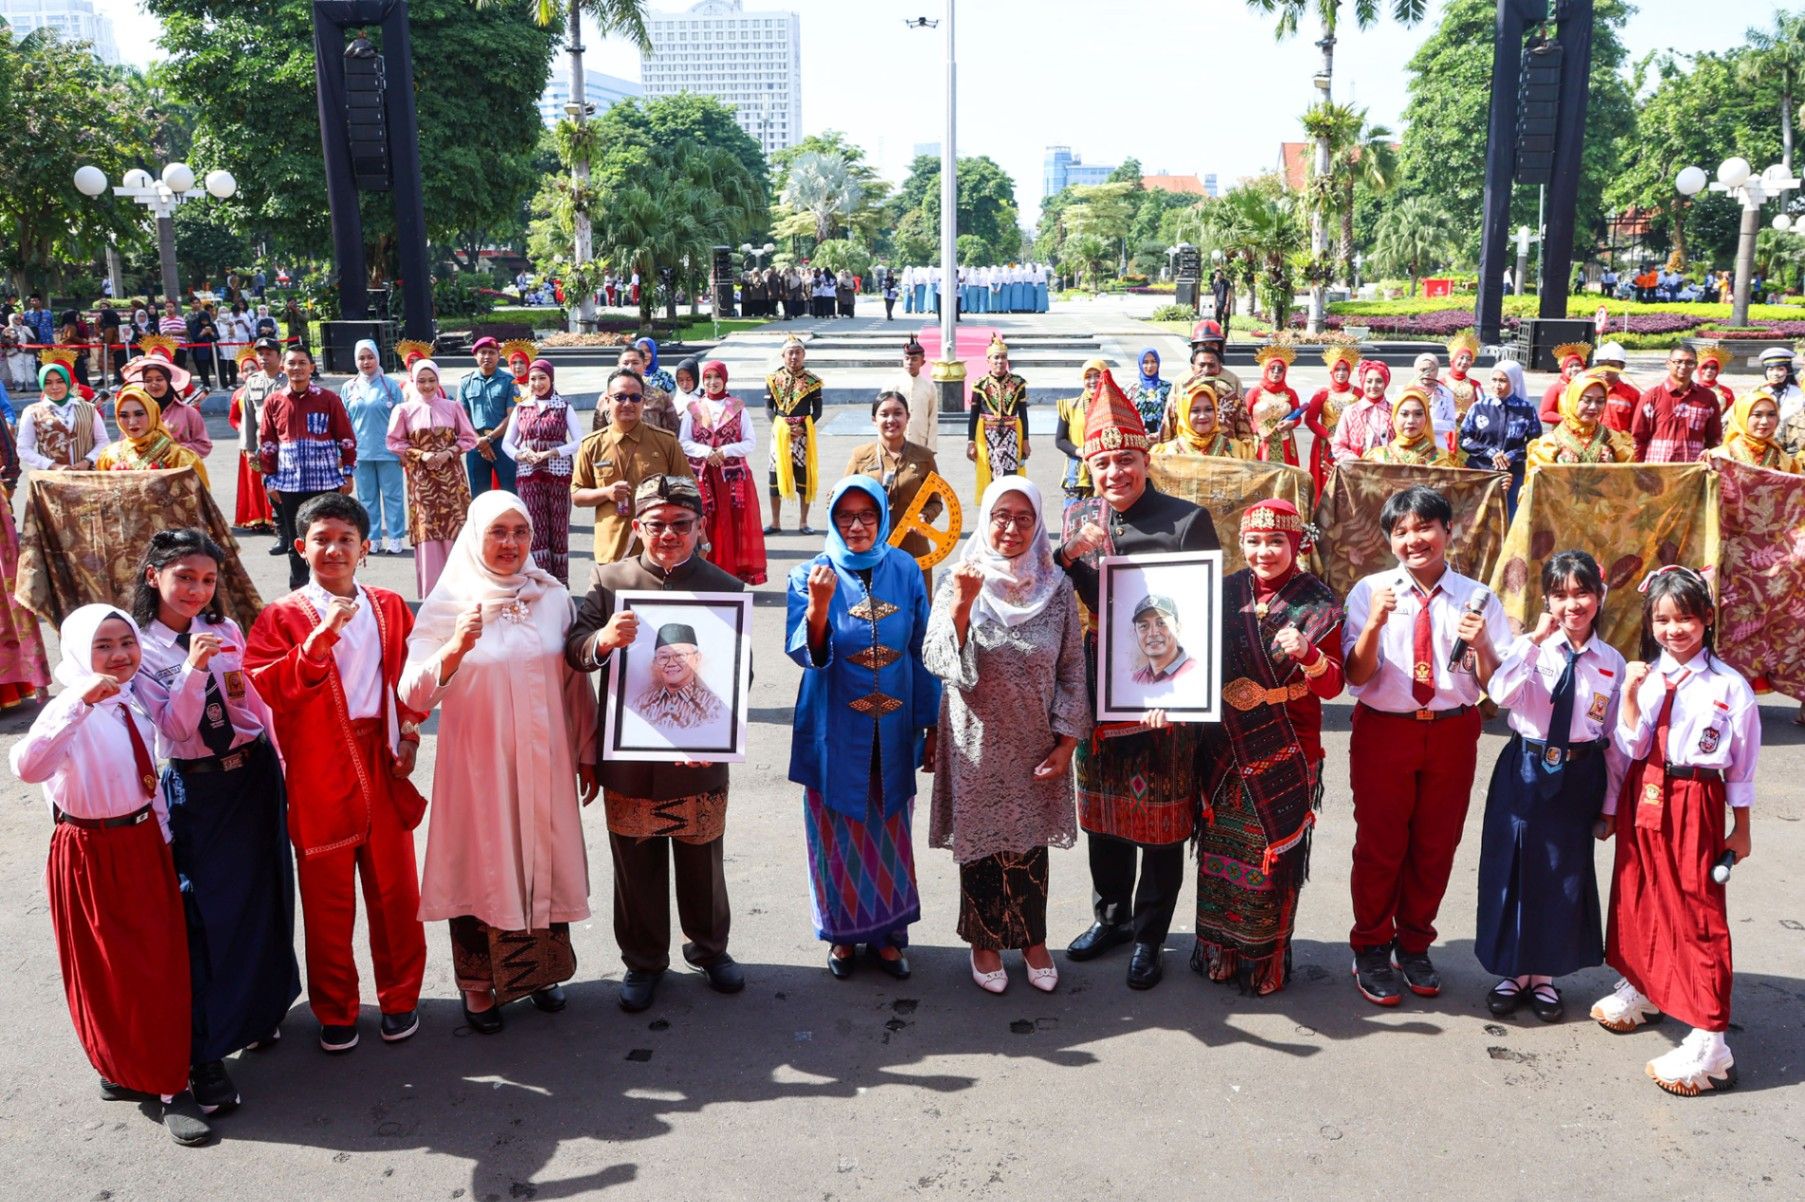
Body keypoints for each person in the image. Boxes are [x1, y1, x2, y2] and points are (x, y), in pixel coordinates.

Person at [9, 604, 212, 1144]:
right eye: (104, 646)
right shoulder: (69, 709)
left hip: (143, 842)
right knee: (103, 969)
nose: (120, 655)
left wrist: (165, 845)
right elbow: (28, 767)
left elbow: (150, 780)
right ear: (78, 653)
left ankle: (171, 1084)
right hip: (89, 850)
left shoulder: (133, 702)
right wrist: (77, 703)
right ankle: (120, 1065)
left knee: (158, 968)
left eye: (127, 642)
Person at [402, 491, 597, 1032]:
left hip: (546, 759)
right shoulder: (449, 602)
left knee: (542, 856)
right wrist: (454, 648)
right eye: (498, 531)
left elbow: (572, 683)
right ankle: (477, 983)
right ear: (475, 535)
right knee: (483, 864)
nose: (511, 543)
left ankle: (538, 973)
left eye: (520, 531)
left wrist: (586, 752)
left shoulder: (552, 596)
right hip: (479, 768)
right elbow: (413, 693)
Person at [243, 493, 428, 1055]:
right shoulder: (282, 615)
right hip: (320, 765)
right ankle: (336, 1008)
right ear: (301, 547)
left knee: (396, 891)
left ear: (366, 549)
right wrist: (315, 647)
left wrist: (411, 735)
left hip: (381, 756)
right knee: (327, 899)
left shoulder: (391, 606)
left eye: (346, 539)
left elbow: (407, 680)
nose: (334, 549)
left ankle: (399, 999)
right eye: (321, 539)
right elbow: (266, 686)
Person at [1055, 369, 1220, 989]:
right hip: (1101, 689)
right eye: (1103, 464)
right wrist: (1068, 555)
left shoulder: (1185, 522)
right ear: (1090, 469)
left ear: (1145, 459)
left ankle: (1149, 937)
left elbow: (1206, 617)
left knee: (1161, 822)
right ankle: (1111, 917)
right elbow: (1055, 592)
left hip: (1165, 697)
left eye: (1126, 460)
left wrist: (1179, 699)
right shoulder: (1078, 522)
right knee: (1103, 814)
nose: (1115, 474)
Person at [132, 529, 300, 1112]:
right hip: (196, 789)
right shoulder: (138, 648)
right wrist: (192, 672)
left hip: (249, 776)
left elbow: (251, 704)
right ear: (153, 576)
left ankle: (259, 1011)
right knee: (204, 917)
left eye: (207, 579)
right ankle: (205, 1053)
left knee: (264, 898)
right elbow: (175, 730)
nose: (198, 590)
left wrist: (278, 768)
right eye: (185, 577)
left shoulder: (224, 629)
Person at [566, 475, 749, 1011]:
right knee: (636, 861)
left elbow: (741, 674)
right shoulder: (611, 579)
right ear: (638, 525)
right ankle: (643, 961)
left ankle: (711, 949)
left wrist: (714, 736)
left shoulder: (724, 587)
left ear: (699, 527)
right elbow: (574, 648)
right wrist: (602, 641)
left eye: (681, 524)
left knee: (702, 861)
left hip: (698, 754)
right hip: (632, 756)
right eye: (656, 524)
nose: (668, 534)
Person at [1341, 485, 1510, 1006]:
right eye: (1401, 531)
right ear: (1389, 540)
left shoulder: (1478, 597)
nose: (1414, 540)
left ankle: (1414, 943)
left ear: (1447, 531)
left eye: (1424, 528)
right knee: (1380, 844)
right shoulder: (1369, 591)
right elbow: (1356, 674)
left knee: (1435, 845)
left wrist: (1481, 642)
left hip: (1452, 728)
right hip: (1386, 729)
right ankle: (1370, 946)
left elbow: (1496, 686)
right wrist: (1373, 623)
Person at [1592, 566, 1756, 1095]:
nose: (1674, 629)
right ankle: (1644, 985)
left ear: (1707, 618)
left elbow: (1741, 765)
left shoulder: (1730, 687)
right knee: (1639, 894)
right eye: (1662, 619)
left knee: (1697, 908)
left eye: (1685, 617)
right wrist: (1636, 696)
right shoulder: (1644, 676)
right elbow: (1629, 747)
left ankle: (1711, 1040)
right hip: (1646, 790)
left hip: (1696, 799)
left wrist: (1741, 828)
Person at [925, 478, 1087, 994]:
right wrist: (963, 606)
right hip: (975, 739)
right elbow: (938, 660)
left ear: (1037, 523)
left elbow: (1072, 672)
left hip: (1035, 738)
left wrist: (1066, 744)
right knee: (981, 846)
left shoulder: (1056, 588)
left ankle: (1033, 939)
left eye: (1023, 517)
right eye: (1000, 515)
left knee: (1029, 842)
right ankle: (985, 941)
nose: (1010, 528)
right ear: (986, 519)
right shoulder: (960, 579)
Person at [786, 476, 939, 980]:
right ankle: (842, 939)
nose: (856, 526)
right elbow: (807, 655)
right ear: (832, 520)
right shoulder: (810, 573)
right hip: (834, 729)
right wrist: (819, 606)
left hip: (892, 732)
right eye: (846, 516)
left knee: (890, 832)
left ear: (881, 517)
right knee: (836, 835)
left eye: (866, 515)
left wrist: (932, 725)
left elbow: (921, 651)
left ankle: (890, 938)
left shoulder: (906, 569)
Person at [1194, 500, 1344, 994]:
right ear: (1242, 543)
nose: (1265, 551)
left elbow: (1333, 687)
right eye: (1254, 541)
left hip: (1286, 741)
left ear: (1297, 543)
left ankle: (1267, 960)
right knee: (1221, 850)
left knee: (1271, 859)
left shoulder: (1318, 603)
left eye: (1276, 541)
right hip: (1224, 742)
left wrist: (1311, 656)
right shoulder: (1222, 592)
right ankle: (1220, 948)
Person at [1475, 550, 1620, 1023]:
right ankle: (1513, 971)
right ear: (1546, 600)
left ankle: (1545, 976)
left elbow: (1614, 738)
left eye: (1582, 593)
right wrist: (1535, 641)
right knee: (1514, 866)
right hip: (1527, 766)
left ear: (1599, 598)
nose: (1571, 604)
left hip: (1580, 774)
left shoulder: (1611, 663)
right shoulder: (1528, 647)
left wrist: (1612, 803)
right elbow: (1500, 695)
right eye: (1560, 594)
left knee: (1564, 872)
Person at [572, 367, 695, 571]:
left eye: (635, 397)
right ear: (607, 401)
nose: (628, 403)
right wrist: (606, 493)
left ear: (643, 402)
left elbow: (689, 492)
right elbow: (576, 495)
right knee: (611, 602)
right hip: (611, 549)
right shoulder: (592, 444)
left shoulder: (665, 442)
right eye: (620, 397)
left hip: (658, 550)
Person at [259, 347, 357, 589]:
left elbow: (346, 438)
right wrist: (269, 479)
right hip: (290, 484)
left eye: (303, 363)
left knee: (331, 537)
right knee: (296, 541)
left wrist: (347, 473)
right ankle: (300, 590)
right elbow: (268, 443)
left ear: (311, 367)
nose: (297, 368)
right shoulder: (274, 401)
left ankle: (336, 585)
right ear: (283, 367)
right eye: (292, 363)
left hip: (326, 484)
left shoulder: (328, 399)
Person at [386, 359, 479, 596]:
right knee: (428, 528)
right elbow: (394, 442)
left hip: (453, 479)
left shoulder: (452, 406)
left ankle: (463, 591)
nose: (427, 386)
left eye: (431, 380)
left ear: (438, 381)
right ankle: (433, 594)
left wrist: (449, 452)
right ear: (413, 382)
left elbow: (469, 438)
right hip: (422, 480)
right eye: (421, 381)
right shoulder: (403, 410)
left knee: (456, 526)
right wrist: (421, 454)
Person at [677, 360, 766, 586]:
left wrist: (724, 451)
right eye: (708, 378)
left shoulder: (737, 407)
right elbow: (684, 441)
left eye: (717, 377)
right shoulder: (694, 408)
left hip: (732, 477)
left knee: (732, 525)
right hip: (703, 477)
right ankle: (705, 576)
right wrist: (707, 452)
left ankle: (730, 576)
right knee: (705, 525)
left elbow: (750, 442)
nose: (712, 382)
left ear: (724, 379)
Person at [499, 358, 583, 586]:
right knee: (533, 528)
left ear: (551, 379)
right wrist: (520, 455)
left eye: (542, 378)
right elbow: (508, 443)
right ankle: (537, 581)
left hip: (558, 475)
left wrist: (552, 452)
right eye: (533, 379)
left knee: (558, 528)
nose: (537, 384)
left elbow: (580, 442)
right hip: (529, 475)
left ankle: (560, 583)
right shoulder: (522, 407)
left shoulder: (563, 406)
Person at [844, 389, 941, 577]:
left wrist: (924, 517)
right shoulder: (860, 456)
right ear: (874, 419)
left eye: (898, 413)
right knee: (874, 604)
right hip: (870, 548)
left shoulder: (924, 457)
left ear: (908, 417)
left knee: (916, 604)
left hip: (914, 549)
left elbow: (936, 502)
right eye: (884, 414)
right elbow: (838, 501)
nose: (891, 420)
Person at [341, 339, 406, 555]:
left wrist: (403, 449)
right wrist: (343, 452)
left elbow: (403, 419)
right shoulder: (348, 387)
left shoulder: (391, 386)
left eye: (370, 357)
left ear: (377, 358)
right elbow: (343, 421)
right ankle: (372, 537)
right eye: (361, 358)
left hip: (389, 452)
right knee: (366, 498)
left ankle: (396, 537)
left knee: (393, 496)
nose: (366, 362)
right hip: (361, 453)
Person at [1459, 361, 1540, 513]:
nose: (1497, 385)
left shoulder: (1526, 409)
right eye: (1494, 380)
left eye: (1503, 381)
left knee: (1508, 516)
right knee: (1476, 516)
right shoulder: (1479, 407)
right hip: (1480, 471)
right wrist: (1491, 453)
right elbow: (1464, 439)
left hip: (1512, 474)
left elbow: (1535, 443)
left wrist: (1511, 455)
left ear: (1514, 381)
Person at [94, 385, 210, 486]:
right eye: (124, 415)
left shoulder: (179, 457)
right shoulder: (109, 456)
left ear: (152, 414)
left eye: (139, 414)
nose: (132, 422)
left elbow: (196, 504)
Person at [765, 336, 824, 534]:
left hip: (803, 435)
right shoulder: (773, 379)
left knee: (803, 478)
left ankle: (803, 522)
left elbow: (818, 411)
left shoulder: (812, 381)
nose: (794, 356)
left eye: (798, 352)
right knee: (775, 478)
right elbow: (768, 408)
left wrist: (803, 428)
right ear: (783, 356)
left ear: (804, 355)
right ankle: (775, 522)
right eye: (790, 352)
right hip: (780, 435)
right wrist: (781, 427)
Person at [234, 337, 286, 547]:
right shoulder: (253, 381)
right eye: (260, 354)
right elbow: (247, 416)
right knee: (271, 488)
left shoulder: (287, 380)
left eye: (268, 353)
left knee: (289, 490)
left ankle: (295, 532)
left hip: (285, 443)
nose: (263, 358)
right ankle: (282, 535)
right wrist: (248, 447)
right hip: (263, 445)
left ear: (279, 357)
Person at [1632, 342, 1720, 463]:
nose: (1684, 366)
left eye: (1689, 362)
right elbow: (1638, 439)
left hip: (1692, 471)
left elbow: (1714, 438)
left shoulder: (1708, 398)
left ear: (1695, 366)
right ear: (1668, 363)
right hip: (1657, 471)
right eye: (1678, 362)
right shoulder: (1651, 396)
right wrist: (1639, 471)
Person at [1527, 370, 1635, 467]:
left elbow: (1629, 479)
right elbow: (1537, 483)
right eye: (1587, 400)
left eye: (1600, 401)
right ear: (1573, 400)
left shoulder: (1614, 440)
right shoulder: (1549, 443)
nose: (1593, 407)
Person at [123, 340, 211, 459]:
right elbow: (124, 445)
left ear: (169, 380)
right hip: (145, 475)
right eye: (148, 380)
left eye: (159, 379)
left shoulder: (188, 412)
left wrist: (174, 449)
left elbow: (204, 446)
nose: (154, 384)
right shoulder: (135, 412)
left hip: (181, 474)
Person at [967, 335, 1031, 497]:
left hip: (1012, 436)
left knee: (1011, 475)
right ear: (988, 360)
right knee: (990, 475)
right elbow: (973, 417)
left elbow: (1023, 414)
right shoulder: (980, 385)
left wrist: (1025, 441)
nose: (1000, 361)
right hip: (987, 436)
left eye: (1003, 357)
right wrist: (971, 442)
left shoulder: (1018, 383)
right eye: (996, 357)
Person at [17, 360, 105, 472]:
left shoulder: (88, 408)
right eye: (48, 382)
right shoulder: (32, 412)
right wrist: (52, 466)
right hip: (51, 480)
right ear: (41, 384)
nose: (54, 387)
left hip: (86, 477)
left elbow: (103, 441)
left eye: (60, 381)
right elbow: (23, 449)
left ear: (68, 382)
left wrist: (87, 460)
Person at [459, 337, 519, 498]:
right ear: (475, 356)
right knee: (479, 493)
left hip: (502, 442)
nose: (487, 356)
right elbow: (462, 417)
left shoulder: (509, 382)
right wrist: (480, 440)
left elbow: (512, 416)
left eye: (492, 352)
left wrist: (489, 439)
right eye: (482, 352)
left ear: (498, 356)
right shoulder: (466, 382)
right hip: (475, 443)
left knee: (510, 491)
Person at [1305, 346, 1361, 496]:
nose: (1341, 373)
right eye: (1337, 369)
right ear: (1331, 371)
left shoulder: (1358, 393)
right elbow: (1310, 419)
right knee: (1324, 479)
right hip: (1325, 445)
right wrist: (1327, 435)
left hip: (1350, 444)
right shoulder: (1322, 393)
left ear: (1350, 371)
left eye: (1344, 369)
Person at [1151, 379, 1249, 459]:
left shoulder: (1239, 451)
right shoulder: (1167, 453)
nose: (1203, 416)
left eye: (1209, 409)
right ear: (1184, 414)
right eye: (1195, 411)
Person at [1709, 390, 1800, 472]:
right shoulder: (1719, 457)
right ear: (1742, 417)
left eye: (1771, 414)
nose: (1764, 421)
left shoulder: (1784, 460)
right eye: (1757, 415)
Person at [1055, 361, 1103, 511]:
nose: (1093, 381)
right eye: (1088, 377)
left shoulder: (1114, 407)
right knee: (1072, 519)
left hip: (1103, 470)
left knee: (1100, 519)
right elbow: (1060, 440)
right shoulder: (1069, 406)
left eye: (1097, 376)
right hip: (1075, 473)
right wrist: (1081, 452)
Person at [1364, 387, 1451, 466]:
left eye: (1418, 414)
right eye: (1404, 414)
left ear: (1427, 417)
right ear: (1395, 417)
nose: (1411, 421)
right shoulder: (1376, 457)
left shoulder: (1442, 459)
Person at [1244, 345, 1302, 466]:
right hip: (1260, 444)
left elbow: (1298, 417)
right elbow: (1244, 416)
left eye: (1280, 369)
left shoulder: (1290, 393)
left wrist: (1291, 424)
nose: (1276, 372)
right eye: (1272, 368)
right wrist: (1258, 430)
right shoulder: (1254, 392)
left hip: (1284, 443)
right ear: (1266, 370)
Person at [1331, 359, 1395, 465]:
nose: (1373, 386)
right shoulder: (1350, 412)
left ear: (1386, 383)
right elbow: (1338, 446)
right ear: (1362, 382)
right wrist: (1358, 463)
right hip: (1357, 474)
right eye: (1369, 381)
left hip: (1389, 474)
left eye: (1379, 381)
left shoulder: (1395, 412)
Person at [1410, 352, 1460, 453]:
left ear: (1437, 371)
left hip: (1438, 447)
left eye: (1431, 370)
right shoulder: (1406, 391)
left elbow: (1451, 425)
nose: (1427, 373)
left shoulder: (1446, 393)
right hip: (1411, 445)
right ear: (1416, 370)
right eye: (1423, 370)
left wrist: (1427, 424)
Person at [895, 338, 938, 452]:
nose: (910, 362)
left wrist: (931, 448)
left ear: (922, 362)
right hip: (895, 442)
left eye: (914, 359)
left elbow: (933, 418)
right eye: (907, 359)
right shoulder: (893, 384)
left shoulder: (929, 387)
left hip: (919, 442)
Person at [1538, 343, 1593, 425]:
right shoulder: (1556, 388)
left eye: (1578, 365)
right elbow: (1545, 414)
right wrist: (1569, 420)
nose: (1575, 369)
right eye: (1570, 366)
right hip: (1563, 433)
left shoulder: (1590, 386)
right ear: (1563, 369)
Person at [1593, 343, 1641, 433]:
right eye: (1602, 364)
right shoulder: (1588, 389)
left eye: (1611, 365)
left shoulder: (1632, 395)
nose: (1606, 369)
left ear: (1622, 367)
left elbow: (1637, 426)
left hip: (1618, 445)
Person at [1444, 330, 1483, 425]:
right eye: (1461, 358)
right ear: (1453, 359)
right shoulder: (1440, 383)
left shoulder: (1475, 385)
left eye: (1469, 359)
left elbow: (1482, 411)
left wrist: (1469, 416)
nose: (1465, 362)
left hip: (1469, 432)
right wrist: (1452, 415)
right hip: (1446, 432)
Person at [1129, 347, 1171, 436]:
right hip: (1139, 438)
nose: (1150, 366)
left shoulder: (1168, 388)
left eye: (1153, 361)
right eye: (1145, 362)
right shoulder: (1131, 389)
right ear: (1140, 364)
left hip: (1163, 439)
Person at [1694, 343, 1733, 413]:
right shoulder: (1690, 390)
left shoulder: (1727, 392)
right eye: (1705, 367)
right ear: (1699, 368)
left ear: (1718, 370)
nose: (1709, 371)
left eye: (1713, 368)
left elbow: (1732, 416)